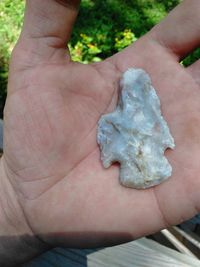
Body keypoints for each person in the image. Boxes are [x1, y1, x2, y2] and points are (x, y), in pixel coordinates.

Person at [0, 0, 200, 266]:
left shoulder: (134, 116)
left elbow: (155, 133)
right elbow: (116, 135)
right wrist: (13, 205)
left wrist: (15, 209)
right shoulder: (118, 119)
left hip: (148, 160)